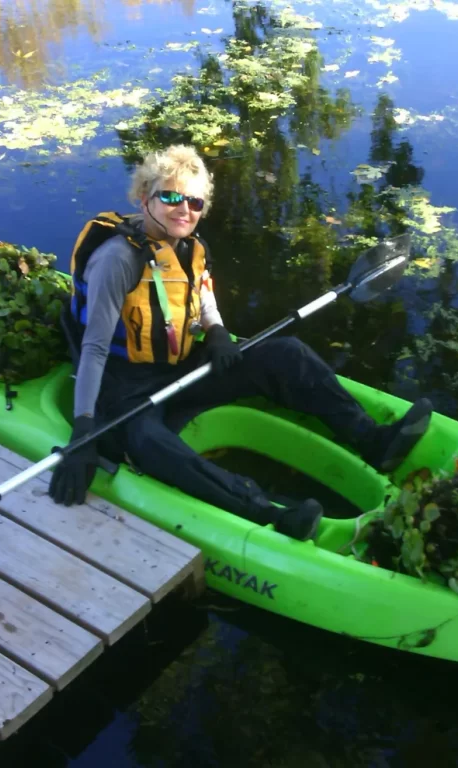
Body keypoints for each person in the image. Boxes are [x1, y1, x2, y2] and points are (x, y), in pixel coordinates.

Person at [48, 144, 432, 540]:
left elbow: (203, 295)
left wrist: (216, 332)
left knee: (286, 355)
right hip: (123, 386)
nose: (185, 209)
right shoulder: (118, 260)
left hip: (179, 367)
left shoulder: (189, 245)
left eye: (195, 202)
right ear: (145, 196)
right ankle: (268, 513)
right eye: (171, 196)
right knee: (151, 443)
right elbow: (93, 348)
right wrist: (83, 432)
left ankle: (373, 440)